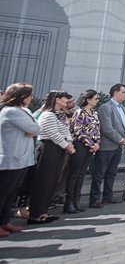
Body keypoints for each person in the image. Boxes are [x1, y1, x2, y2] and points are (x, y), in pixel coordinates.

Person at [0, 82, 40, 236]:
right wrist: (31, 129)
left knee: (12, 191)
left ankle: (4, 221)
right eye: (29, 95)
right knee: (4, 192)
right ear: (21, 96)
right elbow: (34, 128)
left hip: (21, 159)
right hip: (11, 158)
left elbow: (35, 128)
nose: (31, 98)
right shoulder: (11, 112)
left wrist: (31, 129)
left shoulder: (22, 111)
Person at [30, 91, 75, 223]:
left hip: (58, 149)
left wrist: (69, 142)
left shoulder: (59, 115)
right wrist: (67, 145)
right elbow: (53, 134)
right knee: (44, 180)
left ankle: (44, 211)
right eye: (64, 98)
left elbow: (66, 130)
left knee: (52, 180)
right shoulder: (47, 114)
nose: (67, 100)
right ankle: (36, 213)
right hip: (49, 148)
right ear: (56, 100)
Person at [89, 84, 125, 208]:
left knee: (112, 173)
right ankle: (94, 199)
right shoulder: (106, 107)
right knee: (99, 174)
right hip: (107, 147)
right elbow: (107, 128)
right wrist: (120, 139)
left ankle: (108, 196)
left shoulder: (123, 108)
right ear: (116, 93)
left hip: (118, 147)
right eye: (123, 92)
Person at [64, 90, 100, 213]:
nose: (97, 100)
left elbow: (97, 129)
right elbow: (78, 130)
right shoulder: (79, 112)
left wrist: (96, 143)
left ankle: (77, 201)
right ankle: (69, 203)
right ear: (88, 99)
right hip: (80, 145)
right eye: (95, 98)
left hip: (91, 147)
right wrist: (90, 143)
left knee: (81, 174)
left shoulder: (94, 113)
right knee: (74, 174)